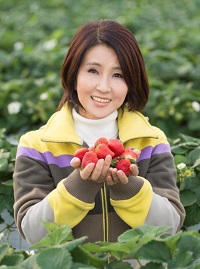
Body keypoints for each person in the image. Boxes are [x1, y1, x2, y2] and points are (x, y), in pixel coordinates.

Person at [13, 19, 185, 245]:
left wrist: (129, 188)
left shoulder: (151, 142)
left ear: (131, 82)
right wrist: (80, 185)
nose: (104, 86)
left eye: (118, 75)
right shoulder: (37, 146)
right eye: (93, 70)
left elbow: (169, 228)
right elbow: (33, 234)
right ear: (73, 74)